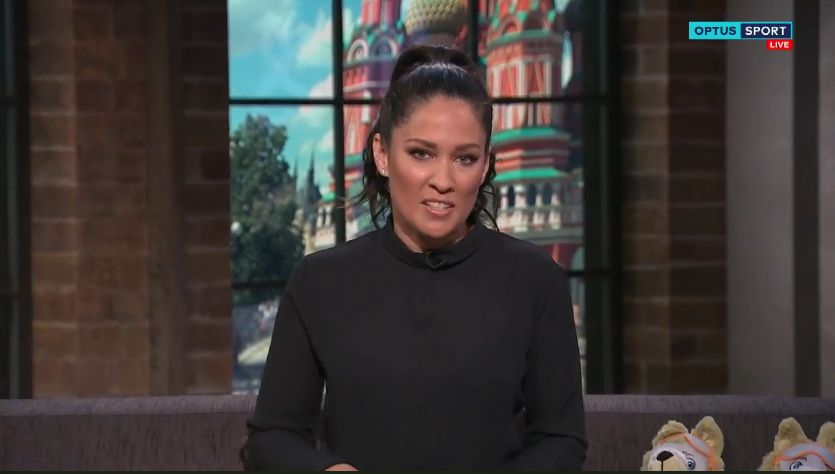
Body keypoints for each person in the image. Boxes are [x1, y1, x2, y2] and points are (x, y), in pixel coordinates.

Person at [243, 45, 586, 470]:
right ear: (382, 154)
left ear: (485, 166)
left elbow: (562, 441)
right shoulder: (319, 281)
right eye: (421, 153)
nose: (443, 180)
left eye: (465, 158)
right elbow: (270, 440)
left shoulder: (535, 280)